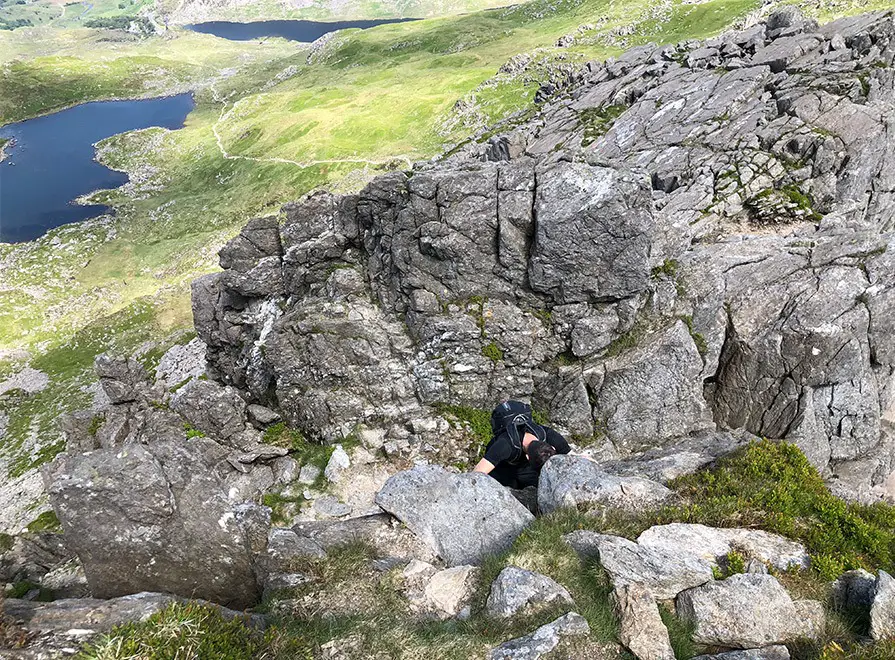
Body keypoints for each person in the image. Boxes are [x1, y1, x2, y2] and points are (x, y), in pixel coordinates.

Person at [473, 400, 570, 489]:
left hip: (523, 467)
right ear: (527, 457)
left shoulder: (549, 435)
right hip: (502, 467)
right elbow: (477, 473)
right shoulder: (505, 445)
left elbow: (573, 460)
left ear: (553, 447)